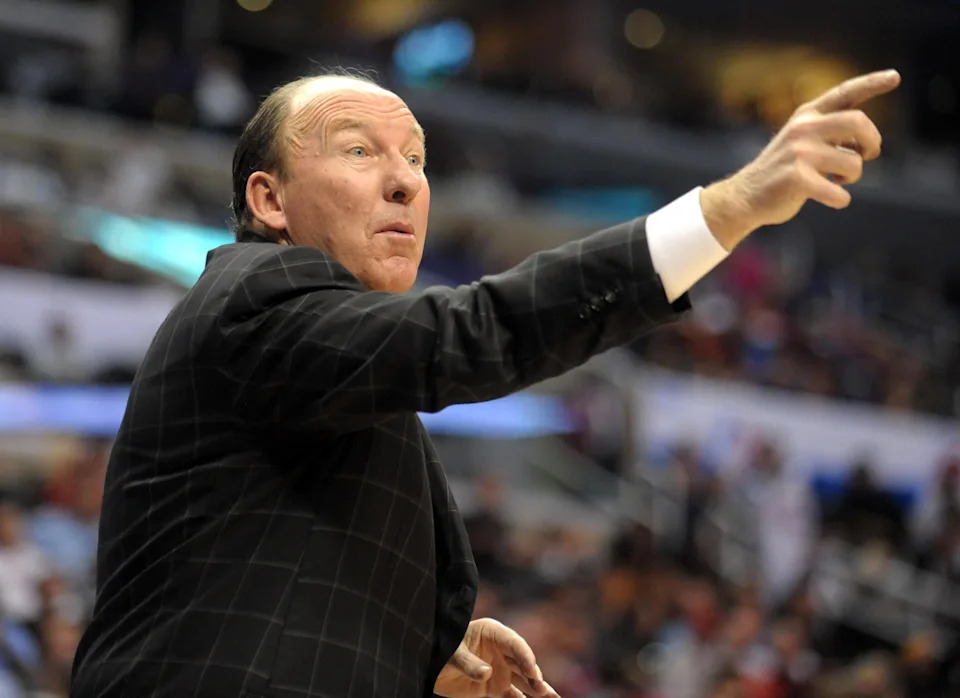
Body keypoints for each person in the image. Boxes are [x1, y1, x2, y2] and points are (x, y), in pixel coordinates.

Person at [70, 68, 900, 698]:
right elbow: (471, 333)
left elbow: (260, 578)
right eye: (360, 152)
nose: (405, 181)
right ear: (269, 198)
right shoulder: (252, 294)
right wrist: (731, 207)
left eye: (418, 160)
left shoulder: (318, 358)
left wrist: (420, 646)